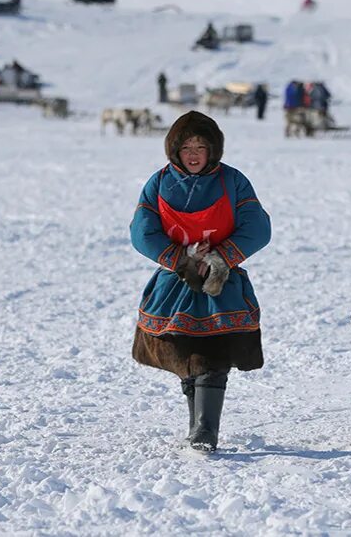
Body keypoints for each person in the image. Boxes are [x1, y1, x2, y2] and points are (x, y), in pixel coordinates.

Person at [130, 112, 272, 453]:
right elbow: (142, 230)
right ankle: (197, 423)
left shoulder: (232, 180)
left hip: (221, 284)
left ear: (213, 150)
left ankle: (206, 431)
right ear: (175, 150)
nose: (194, 154)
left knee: (215, 355)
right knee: (184, 355)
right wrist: (180, 260)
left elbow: (257, 227)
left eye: (201, 146)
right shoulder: (158, 183)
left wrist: (218, 260)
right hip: (175, 283)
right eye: (187, 147)